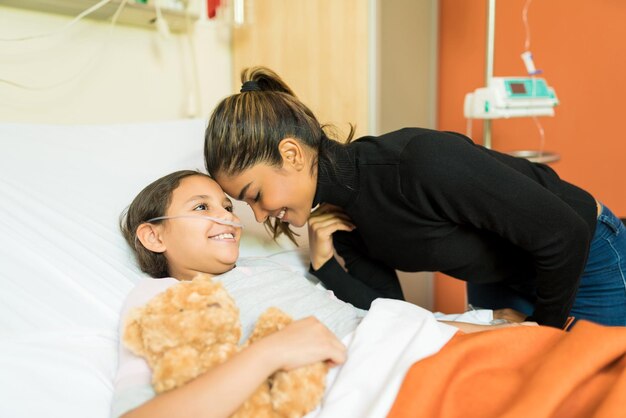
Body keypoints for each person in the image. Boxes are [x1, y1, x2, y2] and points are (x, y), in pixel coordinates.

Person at [203, 66, 626, 329]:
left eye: (254, 195)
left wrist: (543, 332)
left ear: (291, 153)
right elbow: (392, 311)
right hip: (503, 281)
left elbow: (563, 232)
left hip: (585, 257)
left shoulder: (417, 163)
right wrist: (325, 265)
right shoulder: (339, 215)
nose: (259, 214)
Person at [112, 170, 529, 418]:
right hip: (364, 378)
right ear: (154, 235)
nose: (227, 217)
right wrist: (270, 352)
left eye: (226, 206)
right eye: (203, 207)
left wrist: (473, 328)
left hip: (407, 341)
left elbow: (366, 319)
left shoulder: (269, 270)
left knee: (524, 332)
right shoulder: (160, 298)